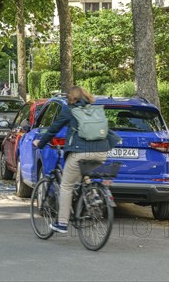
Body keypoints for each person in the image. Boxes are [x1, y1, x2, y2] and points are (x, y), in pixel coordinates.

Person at [32, 86, 120, 234]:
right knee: (84, 173)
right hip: (101, 153)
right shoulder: (95, 109)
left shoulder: (69, 110)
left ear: (70, 97)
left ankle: (62, 223)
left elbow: (53, 129)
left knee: (66, 185)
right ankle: (93, 195)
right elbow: (107, 131)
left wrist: (40, 143)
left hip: (80, 153)